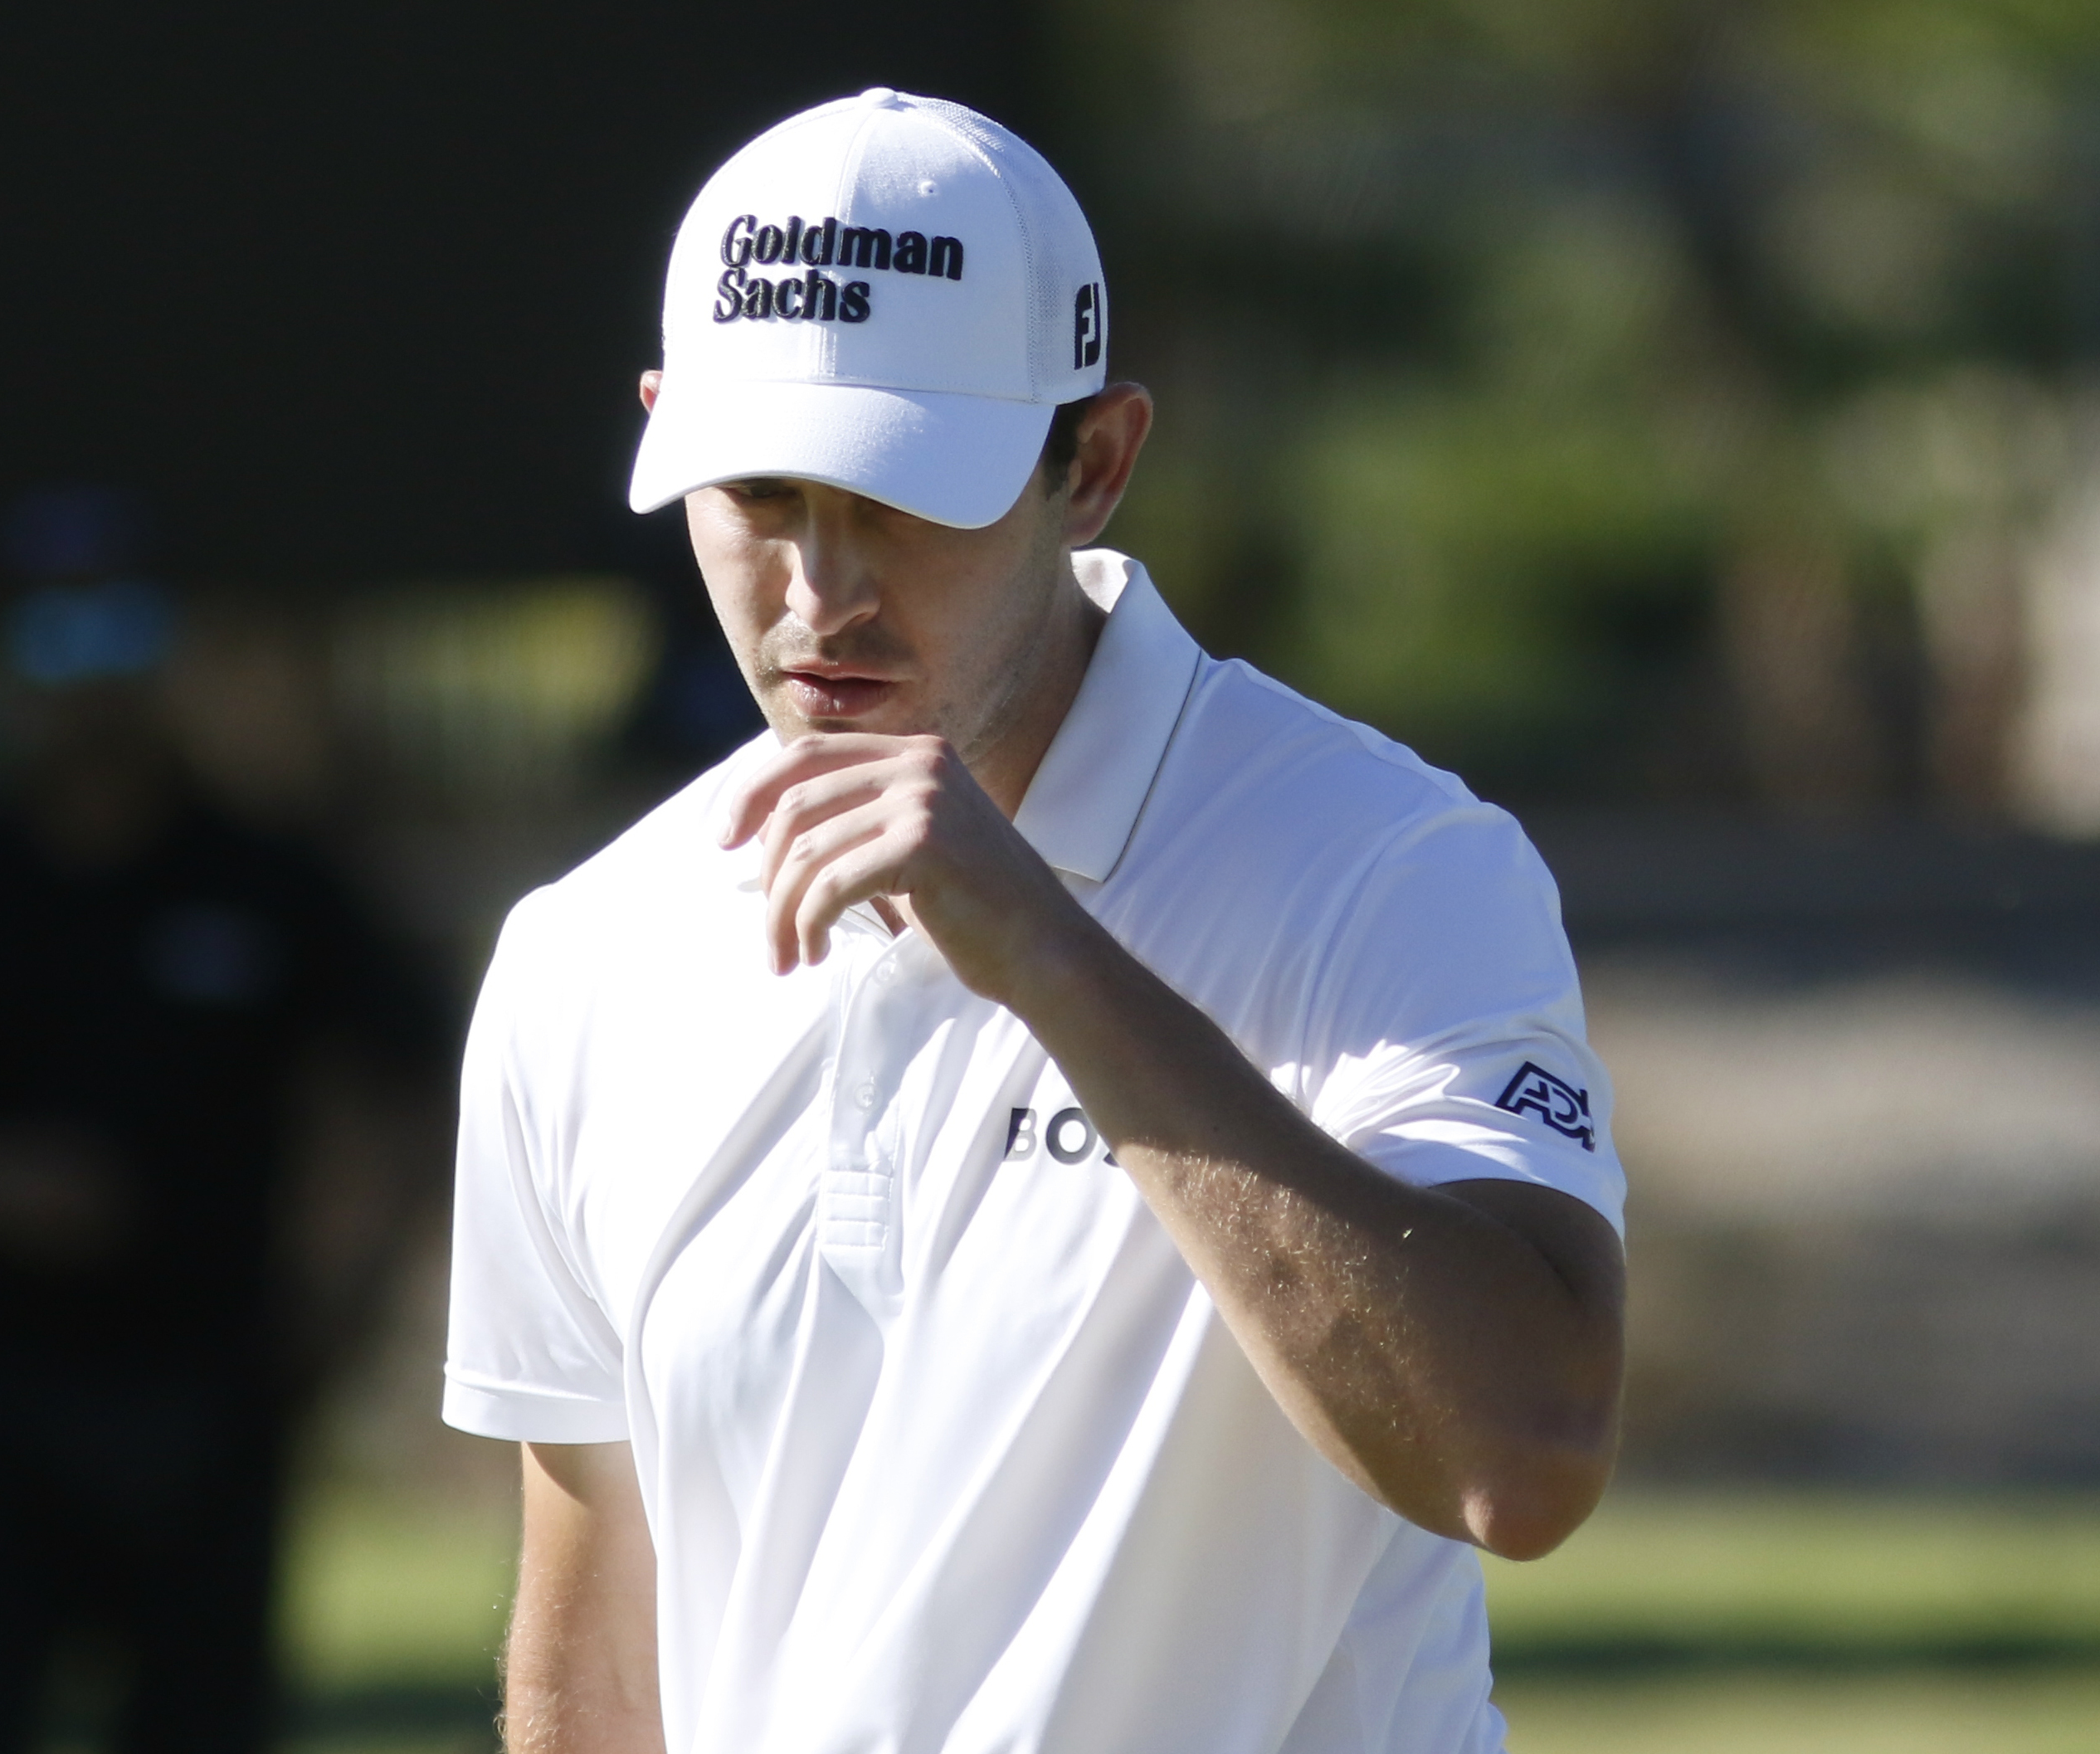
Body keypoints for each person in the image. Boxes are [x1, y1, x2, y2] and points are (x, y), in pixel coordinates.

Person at [442, 90, 1626, 1754]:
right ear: (664, 431)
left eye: (904, 496)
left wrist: (1052, 963)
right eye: (759, 494)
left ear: (1096, 465)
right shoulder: (585, 953)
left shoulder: (1389, 863)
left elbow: (1520, 1455)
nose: (820, 592)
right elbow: (595, 1678)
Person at [0, 571, 454, 1754]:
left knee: (201, 1721)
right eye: (57, 646)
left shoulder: (266, 876)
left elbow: (404, 1085)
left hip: (211, 1392)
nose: (92, 686)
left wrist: (350, 1291)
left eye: (122, 644)